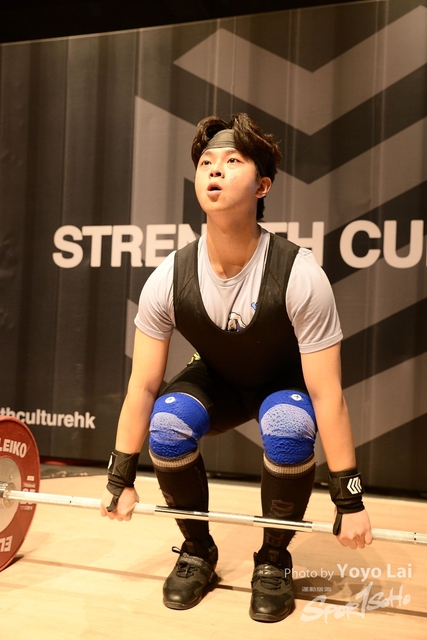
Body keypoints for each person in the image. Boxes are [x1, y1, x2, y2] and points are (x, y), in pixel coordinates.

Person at [101, 113, 372, 623]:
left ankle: (273, 559)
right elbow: (142, 386)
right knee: (168, 423)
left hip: (281, 383)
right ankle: (197, 550)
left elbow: (328, 393)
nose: (214, 170)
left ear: (262, 186)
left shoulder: (299, 273)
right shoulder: (169, 277)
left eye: (232, 161)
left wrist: (349, 500)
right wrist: (121, 476)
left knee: (289, 426)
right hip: (217, 380)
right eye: (206, 162)